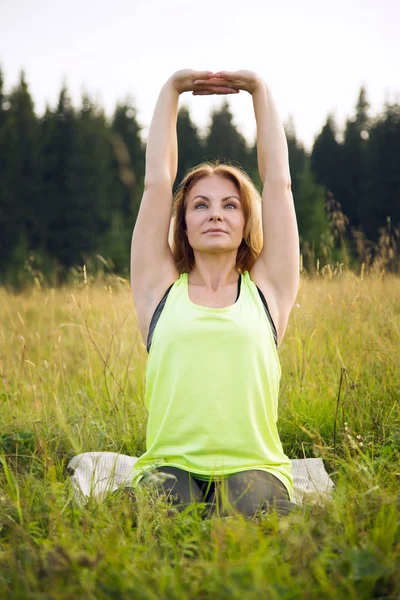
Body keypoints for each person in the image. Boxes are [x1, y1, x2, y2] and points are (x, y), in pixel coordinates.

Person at [129, 70, 301, 519]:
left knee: (244, 513)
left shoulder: (269, 292)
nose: (215, 215)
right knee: (169, 520)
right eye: (200, 205)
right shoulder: (159, 290)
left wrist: (260, 91)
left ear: (247, 221)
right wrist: (171, 90)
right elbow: (155, 183)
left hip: (254, 466)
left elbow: (279, 185)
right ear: (182, 221)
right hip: (172, 466)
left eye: (230, 205)